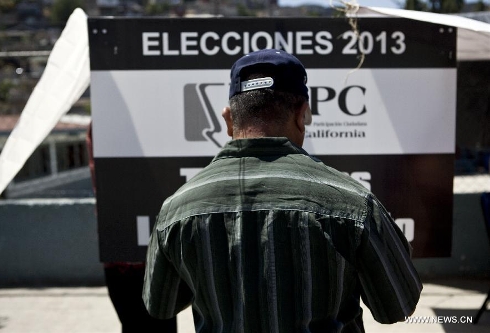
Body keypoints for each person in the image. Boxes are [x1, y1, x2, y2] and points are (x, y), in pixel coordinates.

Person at [143, 49, 422, 332]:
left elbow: (159, 305)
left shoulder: (176, 209)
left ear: (228, 120)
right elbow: (397, 305)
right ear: (302, 115)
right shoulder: (353, 203)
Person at [86, 123, 177, 333]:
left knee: (159, 323)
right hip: (123, 256)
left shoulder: (157, 121)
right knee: (136, 323)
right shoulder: (104, 122)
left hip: (154, 257)